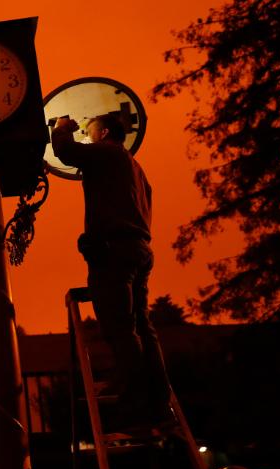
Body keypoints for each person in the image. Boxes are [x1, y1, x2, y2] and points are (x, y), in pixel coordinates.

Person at [51, 114, 171, 435]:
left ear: (104, 132)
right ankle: (159, 402)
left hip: (114, 250)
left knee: (119, 327)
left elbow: (65, 151)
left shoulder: (107, 151)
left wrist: (62, 127)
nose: (87, 135)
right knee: (142, 327)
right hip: (139, 249)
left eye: (90, 130)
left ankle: (135, 404)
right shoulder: (136, 168)